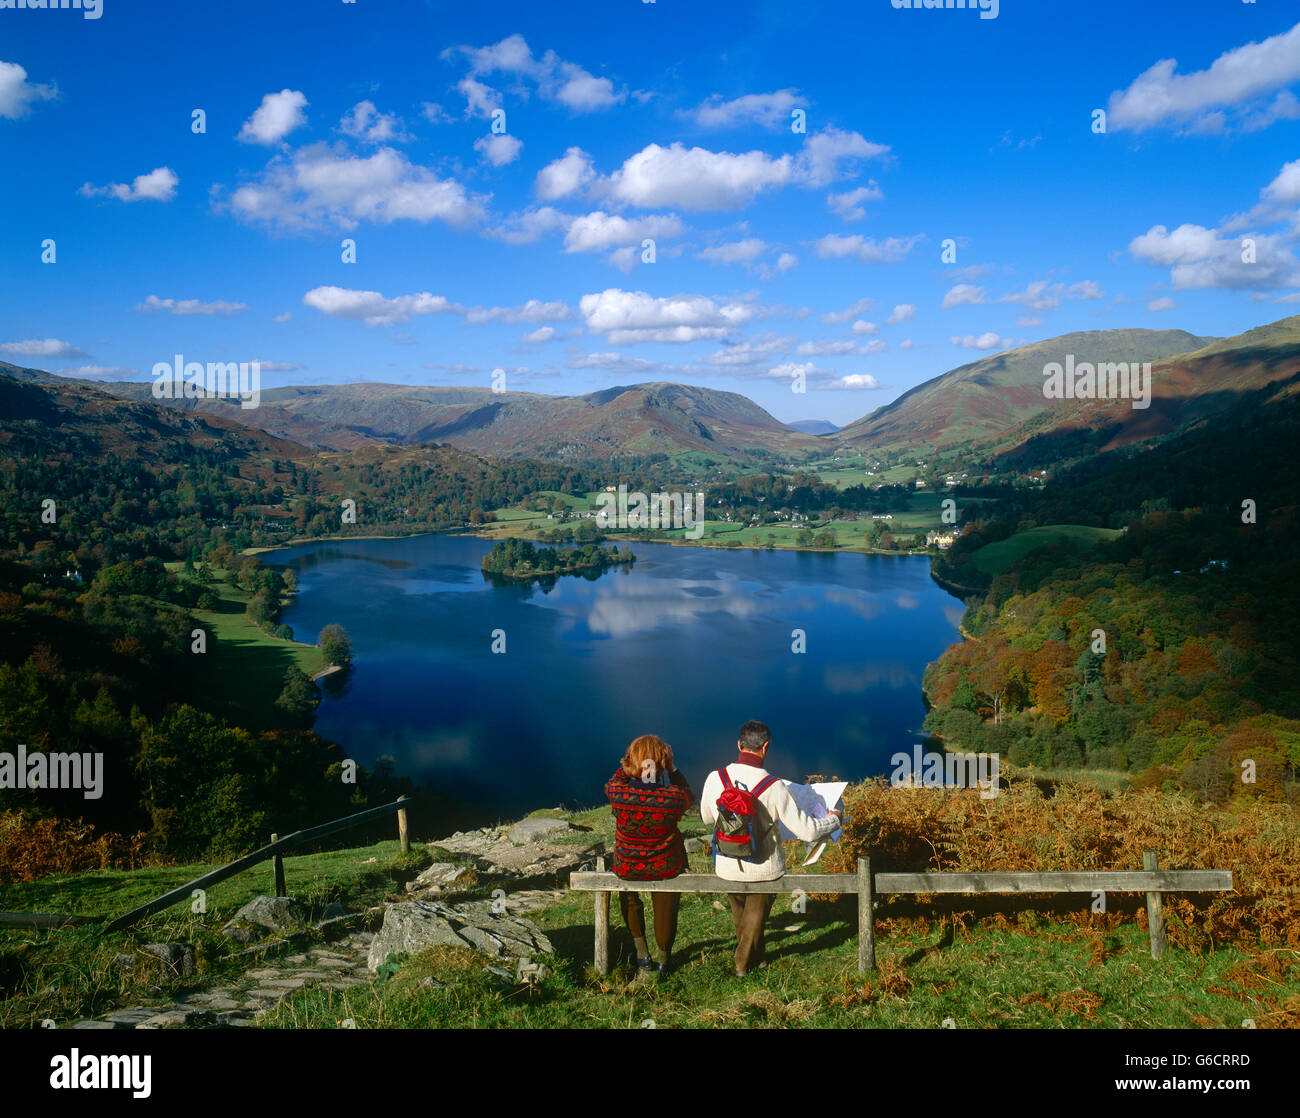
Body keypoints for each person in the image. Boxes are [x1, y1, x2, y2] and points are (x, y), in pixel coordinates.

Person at [700, 720, 842, 977]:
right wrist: (834, 819)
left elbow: (707, 819)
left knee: (740, 911)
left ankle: (759, 956)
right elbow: (808, 831)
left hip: (727, 861)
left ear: (739, 744)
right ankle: (742, 962)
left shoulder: (715, 778)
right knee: (755, 912)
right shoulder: (774, 786)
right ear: (765, 748)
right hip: (764, 866)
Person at [604, 734, 693, 979]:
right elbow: (688, 793)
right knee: (666, 903)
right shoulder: (672, 798)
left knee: (630, 900)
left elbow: (613, 781)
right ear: (662, 762)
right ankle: (664, 961)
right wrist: (672, 768)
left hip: (628, 865)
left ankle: (642, 956)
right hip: (664, 864)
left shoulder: (618, 794)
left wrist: (630, 762)